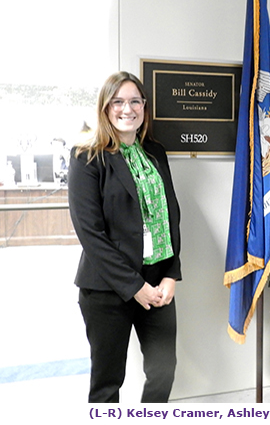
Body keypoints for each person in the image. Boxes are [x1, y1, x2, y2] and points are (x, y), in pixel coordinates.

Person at [68, 72, 181, 403]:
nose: (127, 109)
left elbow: (170, 216)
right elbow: (91, 234)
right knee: (108, 384)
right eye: (117, 101)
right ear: (105, 107)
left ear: (144, 106)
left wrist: (172, 273)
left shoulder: (155, 152)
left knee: (163, 371)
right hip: (107, 288)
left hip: (157, 281)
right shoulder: (87, 155)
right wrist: (134, 287)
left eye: (134, 101)